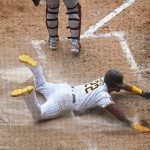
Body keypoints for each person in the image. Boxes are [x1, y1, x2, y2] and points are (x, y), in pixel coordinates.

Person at [11, 55, 150, 132]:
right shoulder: (103, 96)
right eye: (117, 87)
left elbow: (125, 86)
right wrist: (130, 123)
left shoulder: (103, 80)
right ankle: (28, 95)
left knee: (41, 86)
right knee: (38, 115)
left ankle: (36, 69)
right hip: (63, 102)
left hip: (62, 89)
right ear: (112, 85)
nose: (119, 89)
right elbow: (116, 112)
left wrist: (142, 92)